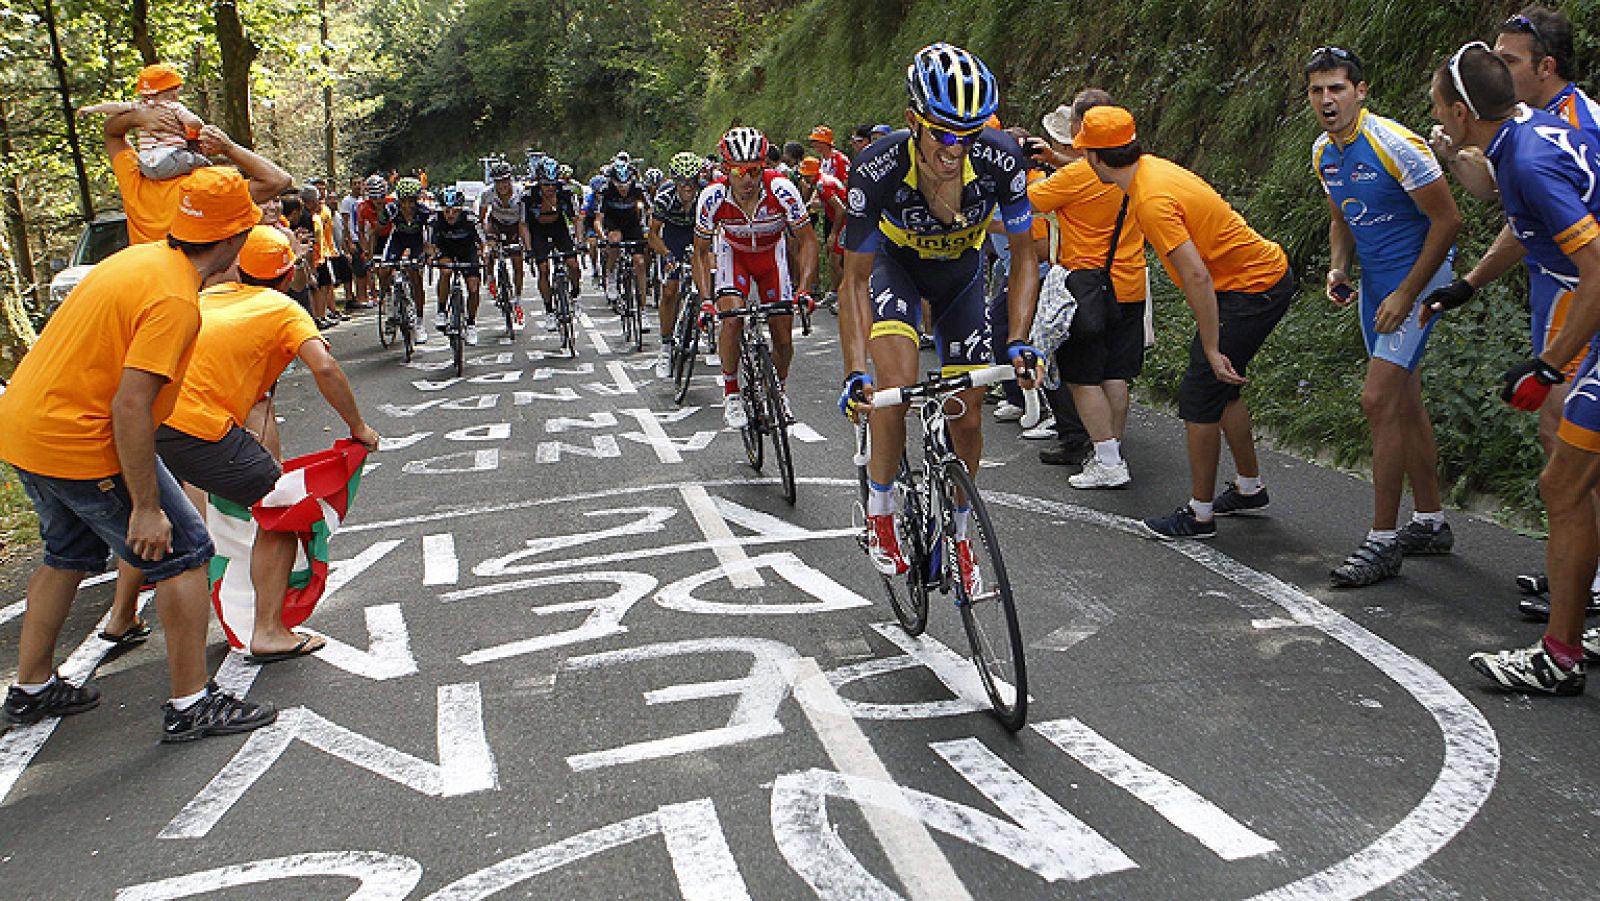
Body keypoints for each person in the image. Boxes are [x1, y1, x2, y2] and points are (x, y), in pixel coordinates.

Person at [0, 168, 278, 741]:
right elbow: (130, 407)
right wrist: (145, 507)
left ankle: (30, 689)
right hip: (81, 439)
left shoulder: (139, 258)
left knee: (65, 552)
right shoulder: (174, 299)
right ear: (231, 242)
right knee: (184, 553)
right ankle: (190, 703)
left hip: (26, 430)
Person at [1420, 43, 1600, 694]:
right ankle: (1565, 645)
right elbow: (1525, 222)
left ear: (1464, 113)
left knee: (1565, 482)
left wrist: (1548, 368)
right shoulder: (1528, 131)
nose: (1436, 116)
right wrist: (1467, 285)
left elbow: (1598, 269)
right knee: (1565, 480)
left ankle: (1560, 657)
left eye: (1441, 107)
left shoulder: (1526, 158)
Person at [838, 43, 1039, 586]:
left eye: (969, 134)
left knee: (967, 414)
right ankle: (880, 512)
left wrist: (1018, 340)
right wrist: (856, 368)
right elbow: (854, 280)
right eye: (944, 133)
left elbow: (1025, 257)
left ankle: (960, 536)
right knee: (895, 386)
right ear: (913, 122)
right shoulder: (876, 167)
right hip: (894, 268)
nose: (957, 147)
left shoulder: (1000, 159)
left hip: (960, 278)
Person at [1079, 105, 1297, 539]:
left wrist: (1213, 347)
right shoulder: (1151, 171)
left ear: (1094, 158)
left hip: (1251, 287)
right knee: (1223, 389)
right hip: (1254, 280)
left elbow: (1196, 275)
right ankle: (1249, 487)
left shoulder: (1151, 200)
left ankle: (1199, 514)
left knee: (1200, 393)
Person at [1305, 47, 1462, 586]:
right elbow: (1341, 218)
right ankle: (1430, 522)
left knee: (1377, 400)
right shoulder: (1325, 151)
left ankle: (1382, 542)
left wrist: (1407, 295)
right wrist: (1338, 269)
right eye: (1318, 90)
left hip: (1421, 282)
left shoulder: (1395, 144)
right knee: (1405, 401)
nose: (1327, 100)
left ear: (1361, 91)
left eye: (1338, 89)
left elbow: (1448, 222)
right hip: (1376, 286)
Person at [1027, 89, 1151, 488]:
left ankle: (1108, 460)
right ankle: (1111, 449)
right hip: (1131, 283)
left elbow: (1029, 201)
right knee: (1116, 374)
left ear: (1083, 128)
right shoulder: (1138, 169)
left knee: (1083, 378)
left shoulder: (1077, 175)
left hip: (1086, 288)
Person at [693, 126, 818, 429]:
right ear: (725, 169)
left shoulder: (783, 190)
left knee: (784, 338)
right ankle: (732, 393)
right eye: (739, 171)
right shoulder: (712, 197)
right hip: (733, 254)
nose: (747, 179)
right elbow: (699, 251)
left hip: (770, 256)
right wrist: (707, 301)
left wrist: (803, 289)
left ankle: (779, 391)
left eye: (754, 170)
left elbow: (808, 241)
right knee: (732, 319)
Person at [102, 110, 289, 245]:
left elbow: (112, 133)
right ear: (200, 148)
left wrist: (138, 117)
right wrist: (229, 148)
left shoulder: (135, 178)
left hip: (150, 281)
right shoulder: (209, 186)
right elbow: (279, 180)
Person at [77, 63, 207, 181]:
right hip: (171, 159)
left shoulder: (140, 105)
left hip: (146, 166)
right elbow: (194, 122)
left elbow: (115, 108)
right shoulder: (173, 106)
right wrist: (202, 127)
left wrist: (92, 109)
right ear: (173, 93)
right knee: (201, 162)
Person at [650, 152, 709, 377]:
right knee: (670, 289)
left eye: (692, 181)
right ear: (675, 181)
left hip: (697, 233)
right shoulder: (665, 197)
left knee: (706, 273)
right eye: (683, 182)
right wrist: (667, 255)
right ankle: (665, 346)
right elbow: (653, 234)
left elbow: (717, 226)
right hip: (672, 236)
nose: (688, 187)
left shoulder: (705, 193)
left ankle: (702, 317)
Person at [524, 157, 583, 332]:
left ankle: (574, 294)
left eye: (552, 184)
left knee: (573, 264)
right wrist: (528, 249)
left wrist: (579, 242)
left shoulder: (565, 193)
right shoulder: (529, 196)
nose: (550, 189)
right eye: (545, 185)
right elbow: (523, 225)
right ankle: (549, 310)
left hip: (559, 228)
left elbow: (576, 219)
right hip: (538, 231)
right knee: (543, 268)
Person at [429, 187, 485, 346]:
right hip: (446, 250)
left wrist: (485, 252)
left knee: (473, 287)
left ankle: (471, 323)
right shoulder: (435, 220)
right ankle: (441, 311)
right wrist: (430, 255)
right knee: (445, 272)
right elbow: (429, 243)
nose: (450, 215)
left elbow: (482, 241)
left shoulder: (469, 218)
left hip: (467, 251)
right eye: (447, 211)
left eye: (454, 211)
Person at [379, 177, 432, 343]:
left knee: (415, 276)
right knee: (385, 269)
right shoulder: (390, 210)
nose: (407, 206)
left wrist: (428, 253)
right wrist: (370, 254)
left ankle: (419, 322)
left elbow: (430, 236)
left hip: (417, 241)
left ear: (417, 200)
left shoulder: (424, 212)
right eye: (403, 201)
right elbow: (376, 231)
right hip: (397, 240)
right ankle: (389, 308)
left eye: (412, 201)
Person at [479, 160, 531, 327]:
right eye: (498, 182)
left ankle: (517, 298)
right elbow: (482, 218)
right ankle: (490, 277)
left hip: (516, 226)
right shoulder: (487, 194)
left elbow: (524, 223)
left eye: (505, 181)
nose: (502, 185)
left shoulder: (521, 193)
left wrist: (527, 245)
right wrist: (484, 241)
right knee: (491, 250)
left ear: (510, 180)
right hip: (496, 224)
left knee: (517, 261)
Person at [594, 161, 649, 306]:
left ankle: (642, 307)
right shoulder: (606, 191)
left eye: (626, 185)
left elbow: (651, 211)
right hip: (613, 222)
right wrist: (603, 236)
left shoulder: (638, 189)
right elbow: (598, 220)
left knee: (640, 262)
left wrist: (650, 230)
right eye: (619, 185)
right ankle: (610, 275)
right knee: (615, 239)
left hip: (632, 223)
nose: (623, 189)